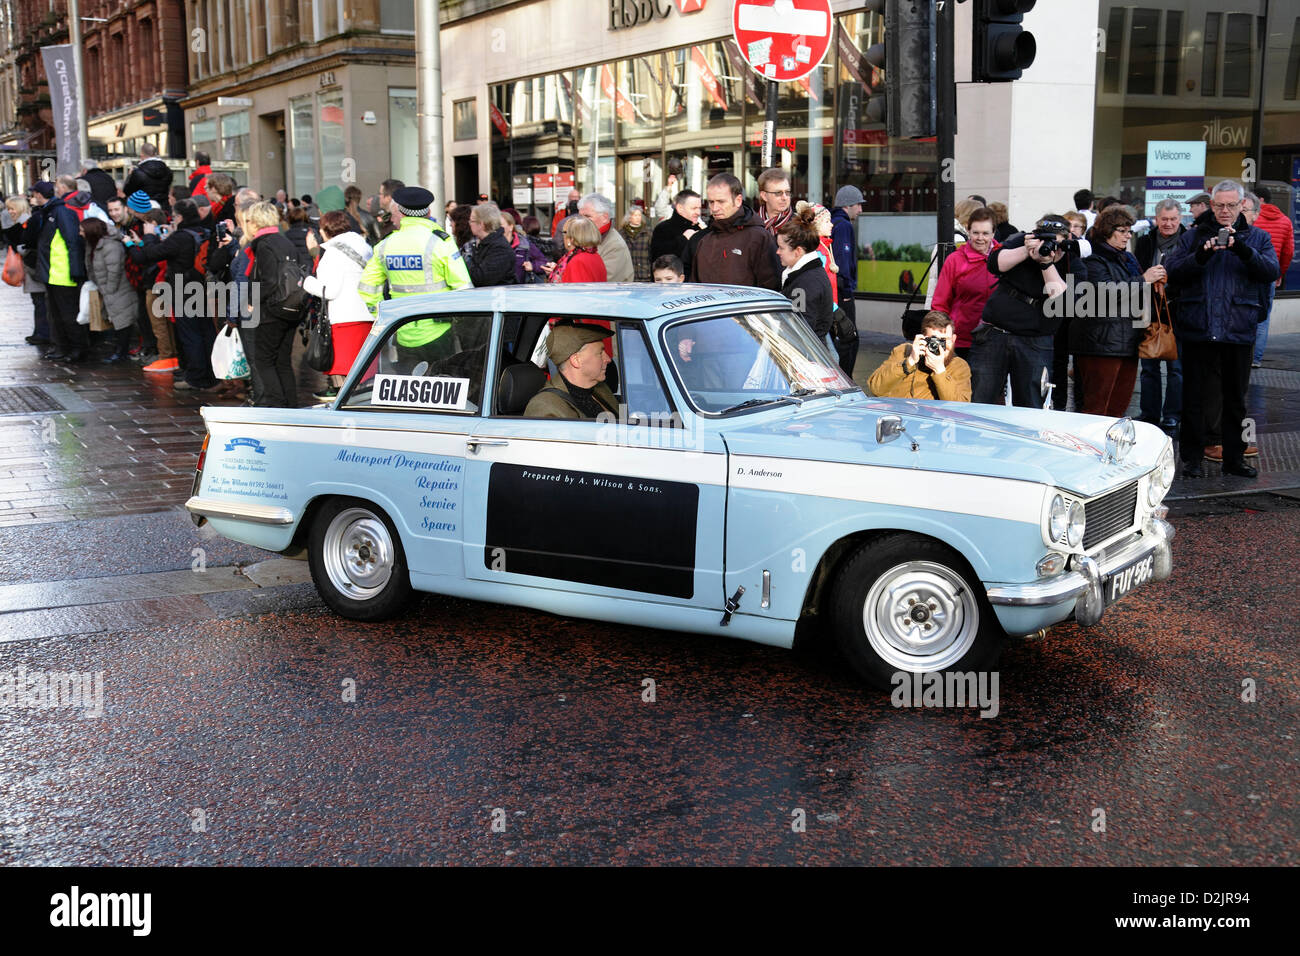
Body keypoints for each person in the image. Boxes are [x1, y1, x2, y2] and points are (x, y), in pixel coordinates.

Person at [1166, 180, 1279, 479]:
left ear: (1242, 205)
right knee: (1193, 397)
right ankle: (1190, 459)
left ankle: (1234, 458)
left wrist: (1241, 249)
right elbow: (1174, 271)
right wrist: (1202, 255)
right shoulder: (1192, 237)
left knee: (1234, 400)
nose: (1225, 211)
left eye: (1231, 205)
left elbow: (1271, 271)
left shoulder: (1257, 237)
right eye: (1219, 205)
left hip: (1238, 327)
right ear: (1212, 205)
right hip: (1198, 326)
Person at [968, 214, 1084, 408]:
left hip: (1035, 340)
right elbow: (994, 264)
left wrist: (1046, 263)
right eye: (1044, 239)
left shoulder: (1073, 262)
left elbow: (1064, 300)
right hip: (995, 334)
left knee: (1031, 403)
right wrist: (1027, 249)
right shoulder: (1020, 241)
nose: (1048, 246)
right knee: (980, 397)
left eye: (1055, 242)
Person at [358, 186, 471, 371]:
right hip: (439, 333)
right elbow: (464, 288)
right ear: (428, 212)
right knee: (442, 388)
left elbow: (367, 287)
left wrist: (382, 317)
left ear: (400, 212)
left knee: (409, 391)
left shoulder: (385, 245)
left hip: (402, 331)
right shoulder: (440, 242)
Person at [1070, 205, 1159, 417]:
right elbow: (1103, 293)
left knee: (1117, 409)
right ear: (1107, 231)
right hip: (1100, 343)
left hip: (1128, 340)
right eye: (1123, 231)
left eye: (1129, 231)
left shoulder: (1127, 258)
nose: (1128, 236)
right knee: (1096, 409)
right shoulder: (1093, 258)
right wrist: (1143, 280)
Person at [128, 198, 218, 391]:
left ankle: (196, 377)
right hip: (203, 287)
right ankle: (212, 375)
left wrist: (149, 236)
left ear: (179, 216)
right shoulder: (203, 232)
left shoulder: (181, 237)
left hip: (183, 289)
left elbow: (151, 254)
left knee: (190, 335)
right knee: (206, 332)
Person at [302, 210, 374, 402]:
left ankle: (346, 408)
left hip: (344, 318)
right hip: (367, 315)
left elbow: (330, 291)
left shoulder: (332, 254)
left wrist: (306, 282)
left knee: (344, 373)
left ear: (325, 230)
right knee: (363, 370)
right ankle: (362, 406)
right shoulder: (364, 247)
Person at [243, 201, 304, 405]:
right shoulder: (283, 240)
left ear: (256, 222)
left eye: (248, 220)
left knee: (263, 360)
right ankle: (290, 405)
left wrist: (252, 301)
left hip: (272, 310)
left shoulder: (264, 244)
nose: (247, 224)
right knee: (282, 361)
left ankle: (276, 405)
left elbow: (268, 280)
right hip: (292, 307)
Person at [1134, 198, 1185, 433]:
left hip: (1177, 311)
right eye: (1164, 219)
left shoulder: (1189, 241)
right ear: (1156, 219)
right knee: (1149, 366)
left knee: (1176, 369)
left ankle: (1172, 415)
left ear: (1180, 219)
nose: (1168, 224)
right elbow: (1135, 272)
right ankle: (1149, 413)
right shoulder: (1144, 242)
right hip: (1148, 310)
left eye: (1173, 219)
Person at [689, 173, 780, 289]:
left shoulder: (759, 238)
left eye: (721, 202)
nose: (715, 208)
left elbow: (772, 287)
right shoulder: (704, 241)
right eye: (711, 202)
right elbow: (695, 286)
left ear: (738, 200)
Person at [32, 176, 88, 363]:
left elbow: (72, 241)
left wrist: (75, 270)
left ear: (39, 195)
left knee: (68, 314)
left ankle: (77, 348)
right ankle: (63, 347)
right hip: (54, 273)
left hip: (63, 273)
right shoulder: (50, 212)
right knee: (57, 314)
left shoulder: (60, 212)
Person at [931, 206, 999, 360]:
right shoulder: (955, 260)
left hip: (997, 340)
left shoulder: (1004, 257)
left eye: (985, 233)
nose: (980, 238)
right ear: (968, 231)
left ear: (993, 233)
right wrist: (938, 337)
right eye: (975, 233)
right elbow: (940, 303)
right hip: (963, 339)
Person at [866, 311, 971, 402]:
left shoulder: (959, 366)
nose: (938, 346)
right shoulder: (903, 351)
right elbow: (876, 388)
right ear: (922, 338)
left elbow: (959, 407)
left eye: (944, 341)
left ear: (953, 339)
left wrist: (940, 371)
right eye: (933, 340)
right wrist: (909, 362)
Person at [523, 323, 618, 419]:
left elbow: (624, 420)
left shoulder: (600, 388)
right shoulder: (545, 407)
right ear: (576, 361)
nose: (608, 359)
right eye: (600, 353)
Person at [80, 218, 136, 363]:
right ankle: (120, 351)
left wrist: (109, 289)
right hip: (106, 287)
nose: (79, 233)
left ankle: (121, 353)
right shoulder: (92, 244)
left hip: (118, 288)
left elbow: (114, 270)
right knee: (118, 319)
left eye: (81, 230)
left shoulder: (110, 246)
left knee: (122, 320)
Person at [777, 208, 834, 347]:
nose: (777, 252)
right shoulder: (808, 274)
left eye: (781, 248)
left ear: (798, 251)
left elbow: (800, 331)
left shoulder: (805, 284)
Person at [1250, 186, 1294, 368]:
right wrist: (1279, 273)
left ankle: (1243, 354)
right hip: (1269, 275)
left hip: (1249, 273)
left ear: (1259, 200)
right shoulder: (1285, 221)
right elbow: (1288, 252)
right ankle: (1256, 359)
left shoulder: (1252, 219)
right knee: (1263, 318)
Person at [5, 194, 50, 347]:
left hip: (34, 267)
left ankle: (42, 333)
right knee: (38, 301)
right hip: (32, 266)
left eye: (12, 208)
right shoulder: (23, 222)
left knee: (39, 301)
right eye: (8, 209)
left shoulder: (25, 222)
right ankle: (40, 332)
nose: (10, 211)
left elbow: (27, 245)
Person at [830, 186, 864, 376]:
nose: (860, 210)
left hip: (834, 291)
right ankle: (846, 380)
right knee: (850, 337)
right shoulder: (843, 225)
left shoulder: (832, 222)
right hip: (842, 293)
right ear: (848, 205)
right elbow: (843, 260)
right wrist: (847, 292)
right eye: (858, 204)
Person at [578, 193, 634, 281]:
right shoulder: (587, 238)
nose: (581, 221)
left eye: (587, 216)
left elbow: (602, 281)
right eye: (580, 216)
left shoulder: (615, 245)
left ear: (605, 217)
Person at [465, 201, 516, 287]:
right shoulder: (482, 243)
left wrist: (465, 261)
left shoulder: (500, 249)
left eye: (471, 221)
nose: (469, 224)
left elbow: (480, 279)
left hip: (496, 298)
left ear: (481, 224)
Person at [545, 215, 607, 283]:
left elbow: (575, 291)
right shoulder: (594, 255)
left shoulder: (577, 261)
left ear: (571, 238)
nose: (563, 236)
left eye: (564, 232)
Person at [649, 189, 702, 265]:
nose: (698, 212)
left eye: (699, 208)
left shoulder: (698, 229)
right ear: (680, 208)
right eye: (694, 208)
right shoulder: (663, 229)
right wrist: (683, 240)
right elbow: (659, 261)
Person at [123, 143, 173, 209]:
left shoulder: (138, 172)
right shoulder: (167, 171)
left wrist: (130, 176)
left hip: (144, 208)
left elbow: (127, 191)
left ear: (142, 155)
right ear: (155, 154)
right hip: (163, 208)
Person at [501, 211, 546, 283]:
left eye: (500, 225)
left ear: (511, 227)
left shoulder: (524, 244)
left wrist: (533, 266)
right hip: (499, 290)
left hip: (520, 290)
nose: (496, 229)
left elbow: (544, 262)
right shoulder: (492, 246)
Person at [756, 167, 794, 234]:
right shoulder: (753, 224)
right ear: (764, 196)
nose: (784, 197)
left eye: (787, 192)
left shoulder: (801, 226)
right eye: (778, 193)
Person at [619, 205, 652, 281]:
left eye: (639, 215)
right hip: (627, 275)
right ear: (629, 217)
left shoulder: (648, 233)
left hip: (645, 274)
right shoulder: (622, 233)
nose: (638, 217)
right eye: (635, 215)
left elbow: (652, 253)